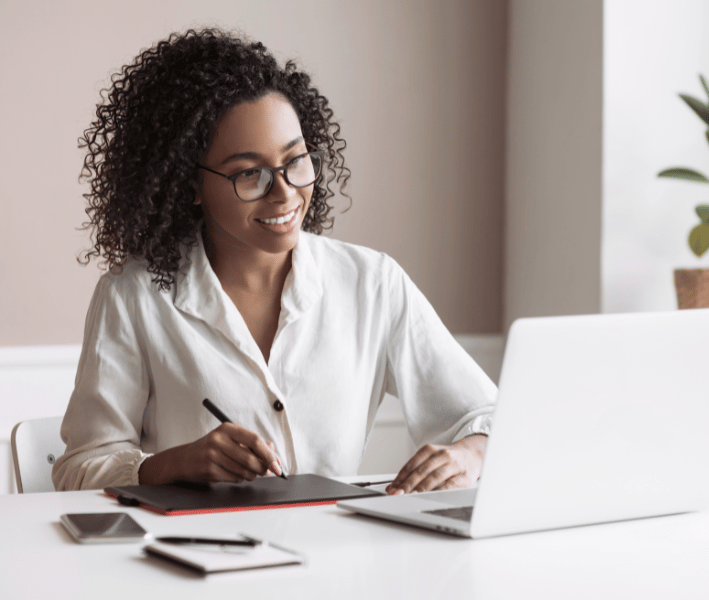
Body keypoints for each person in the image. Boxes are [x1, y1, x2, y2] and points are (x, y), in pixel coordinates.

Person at [53, 28, 496, 495]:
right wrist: (176, 463)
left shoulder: (372, 283)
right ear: (190, 184)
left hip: (336, 540)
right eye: (250, 173)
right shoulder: (134, 297)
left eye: (296, 161)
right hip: (193, 541)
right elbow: (78, 470)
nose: (285, 193)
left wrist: (470, 454)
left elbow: (488, 415)